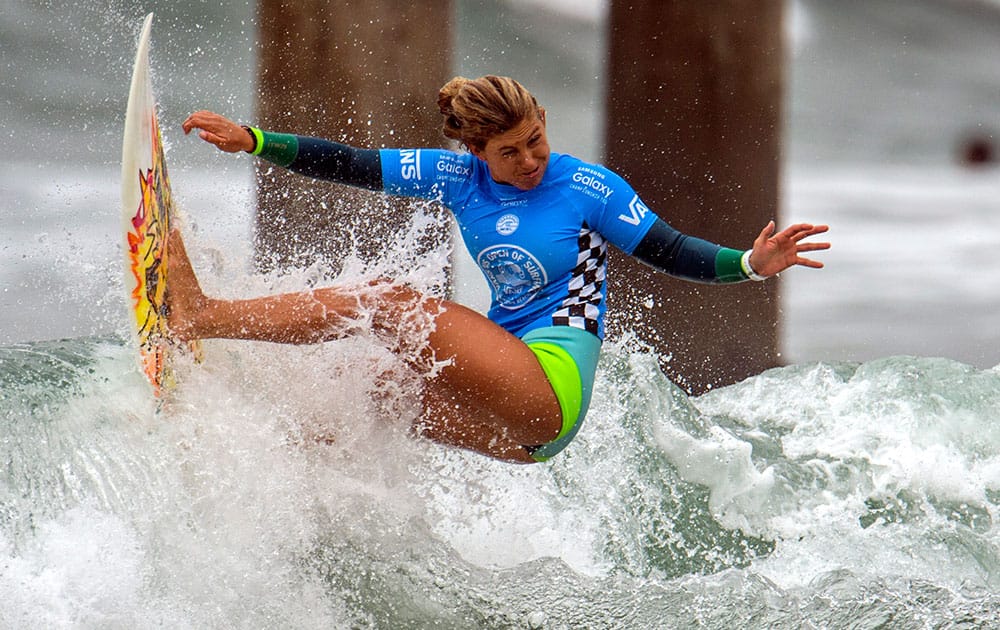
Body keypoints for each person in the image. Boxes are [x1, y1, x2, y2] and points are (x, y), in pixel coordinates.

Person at [174, 75, 829, 464]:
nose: (529, 160)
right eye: (509, 152)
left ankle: (200, 316)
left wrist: (751, 262)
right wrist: (254, 141)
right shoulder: (458, 179)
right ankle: (240, 446)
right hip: (506, 427)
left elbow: (672, 249)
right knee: (365, 386)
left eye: (535, 140)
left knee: (387, 303)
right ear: (477, 152)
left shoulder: (586, 188)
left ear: (544, 121)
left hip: (548, 392)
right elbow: (351, 162)